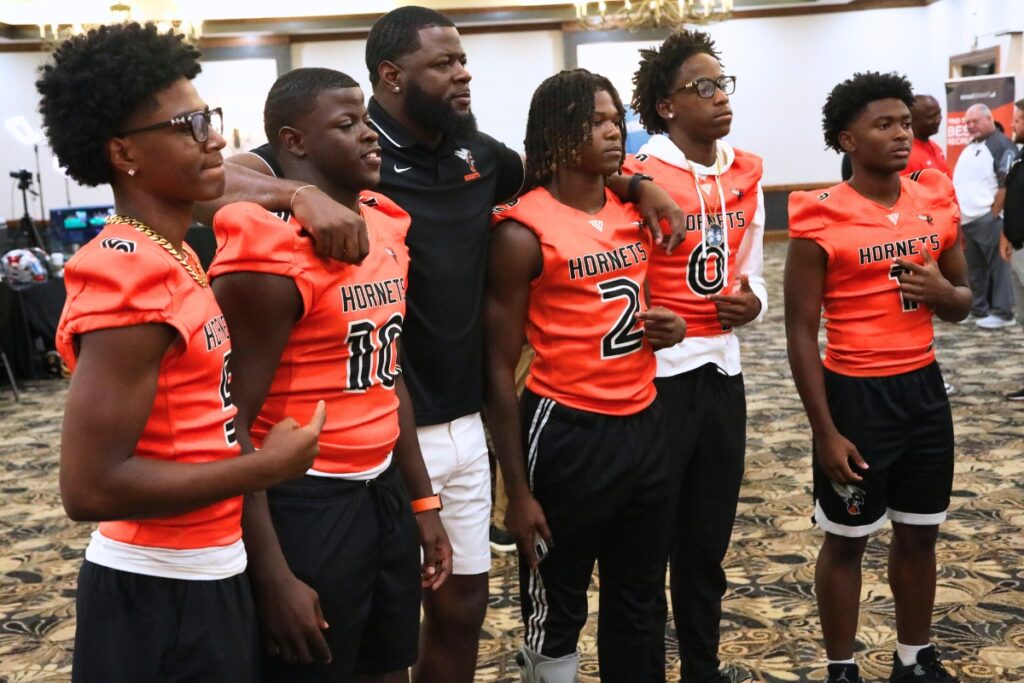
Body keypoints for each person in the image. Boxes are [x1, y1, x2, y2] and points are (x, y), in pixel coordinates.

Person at [199, 8, 685, 680]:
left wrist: (639, 181)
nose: (464, 74)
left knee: (460, 609)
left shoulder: (477, 155)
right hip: (379, 428)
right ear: (393, 76)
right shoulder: (342, 150)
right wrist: (300, 194)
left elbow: (561, 176)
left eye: (463, 60)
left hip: (464, 420)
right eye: (445, 63)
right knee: (360, 624)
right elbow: (211, 182)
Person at [38, 22, 324, 681]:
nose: (215, 136)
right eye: (188, 125)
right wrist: (264, 468)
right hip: (157, 590)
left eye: (209, 117)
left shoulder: (175, 252)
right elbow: (88, 485)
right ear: (123, 153)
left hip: (208, 565)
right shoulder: (126, 273)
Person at [208, 67, 452, 681]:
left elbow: (387, 376)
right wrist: (271, 574)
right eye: (348, 125)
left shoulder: (387, 221)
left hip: (382, 490)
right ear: (294, 142)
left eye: (367, 120)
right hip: (303, 499)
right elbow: (229, 424)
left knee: (390, 664)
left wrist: (421, 500)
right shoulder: (269, 251)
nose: (371, 136)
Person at [485, 68, 687, 683]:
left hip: (645, 417)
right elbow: (496, 366)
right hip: (567, 427)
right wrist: (515, 492)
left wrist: (669, 328)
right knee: (558, 600)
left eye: (615, 118)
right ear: (558, 131)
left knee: (642, 594)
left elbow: (636, 300)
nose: (614, 130)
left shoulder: (633, 208)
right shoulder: (522, 230)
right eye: (596, 120)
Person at [785, 71, 970, 683]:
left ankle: (914, 660)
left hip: (923, 389)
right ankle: (843, 669)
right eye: (883, 124)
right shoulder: (818, 216)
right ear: (847, 140)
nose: (901, 134)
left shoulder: (936, 196)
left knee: (920, 535)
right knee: (847, 539)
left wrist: (945, 290)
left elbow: (962, 300)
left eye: (905, 123)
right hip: (855, 396)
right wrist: (824, 431)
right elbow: (798, 332)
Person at [625, 29, 766, 683]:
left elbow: (754, 273)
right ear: (665, 105)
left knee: (707, 545)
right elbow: (616, 275)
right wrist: (647, 320)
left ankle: (703, 670)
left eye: (722, 84)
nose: (718, 97)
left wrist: (754, 303)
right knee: (648, 547)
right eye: (700, 88)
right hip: (656, 381)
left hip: (723, 372)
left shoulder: (747, 170)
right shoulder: (635, 176)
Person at [952, 103, 1017, 329]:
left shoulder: (1001, 144)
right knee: (974, 270)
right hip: (969, 221)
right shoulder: (970, 147)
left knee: (998, 269)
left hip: (989, 219)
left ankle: (1003, 313)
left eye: (975, 121)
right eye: (967, 122)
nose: (970, 126)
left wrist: (994, 214)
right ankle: (977, 308)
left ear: (989, 119)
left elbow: (1006, 184)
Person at [1001, 99, 1024, 399]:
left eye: (1019, 119)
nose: (1014, 124)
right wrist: (1005, 235)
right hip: (1018, 248)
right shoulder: (1020, 155)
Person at [904, 95, 951, 177]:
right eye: (931, 116)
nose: (938, 119)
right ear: (912, 120)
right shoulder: (906, 155)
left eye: (939, 113)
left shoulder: (936, 147)